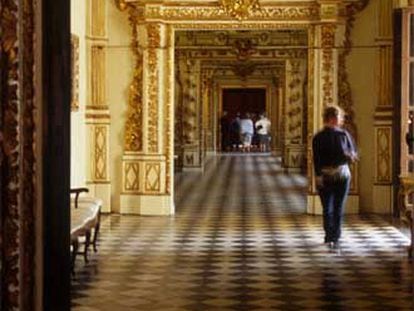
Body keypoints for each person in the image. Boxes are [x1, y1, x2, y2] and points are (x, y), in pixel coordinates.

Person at [312, 106, 357, 249]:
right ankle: (333, 236)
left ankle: (332, 236)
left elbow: (352, 153)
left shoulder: (322, 137)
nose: (342, 120)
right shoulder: (340, 135)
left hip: (334, 175)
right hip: (335, 175)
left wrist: (318, 175)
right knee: (333, 208)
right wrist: (349, 156)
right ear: (332, 118)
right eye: (340, 117)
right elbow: (317, 158)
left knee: (331, 208)